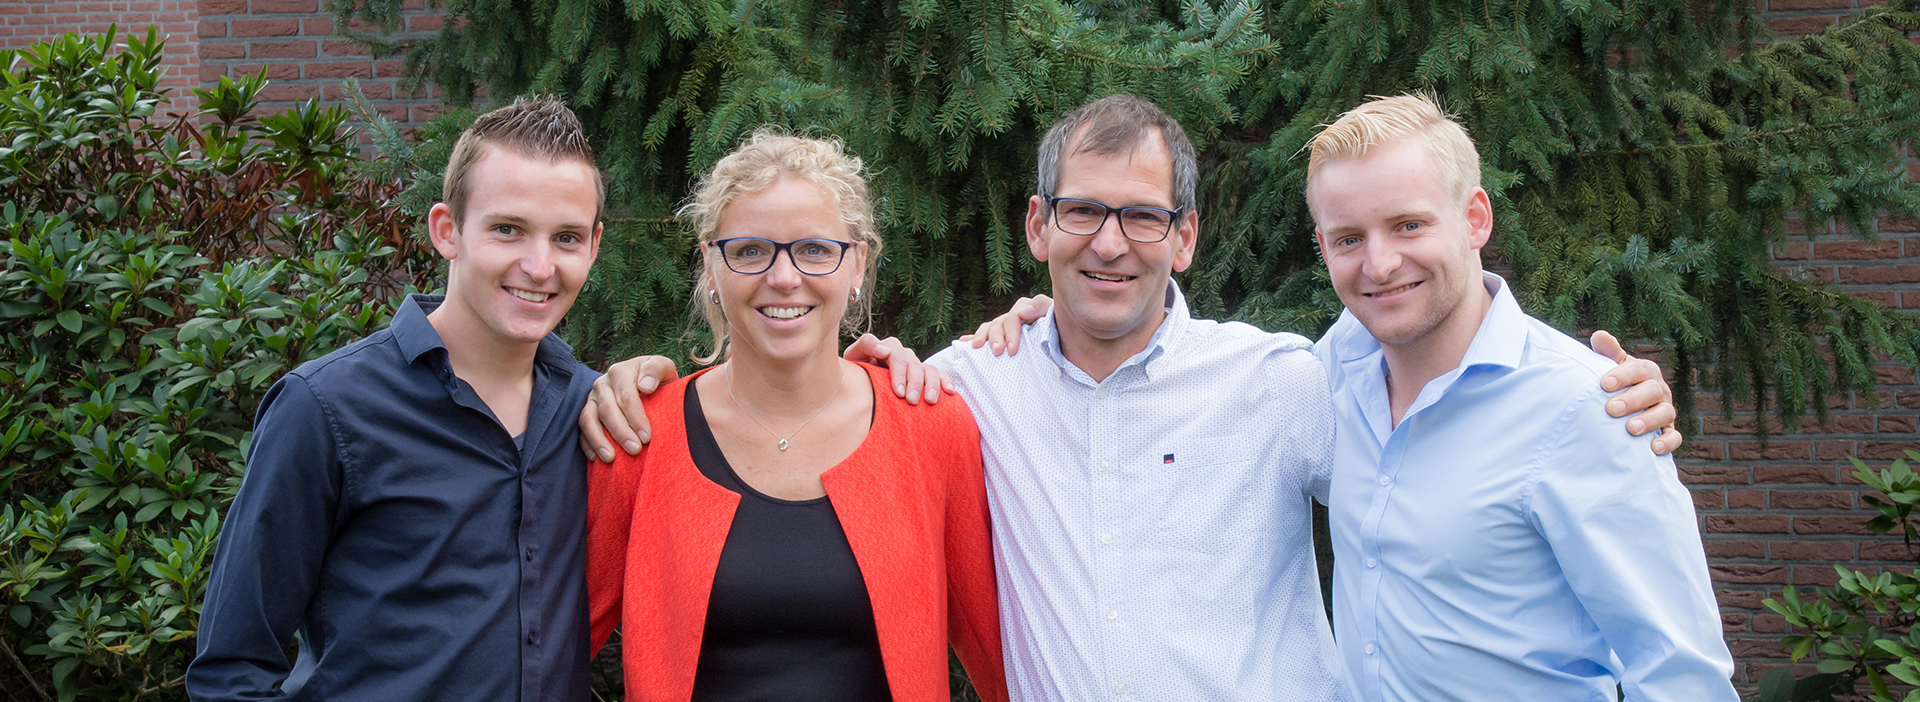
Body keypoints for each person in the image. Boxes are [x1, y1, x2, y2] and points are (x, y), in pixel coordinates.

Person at [582, 96, 1681, 700]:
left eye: (1144, 216)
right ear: (1036, 226)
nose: (1111, 244)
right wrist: (641, 378)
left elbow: (1435, 417)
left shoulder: (1288, 383)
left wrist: (1594, 391)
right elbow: (818, 382)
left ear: (1186, 237)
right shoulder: (962, 388)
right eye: (1083, 212)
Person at [1302, 93, 1734, 701]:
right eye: (1349, 238)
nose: (1380, 264)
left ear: (1475, 218)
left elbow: (1679, 673)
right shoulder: (1330, 374)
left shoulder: (1588, 408)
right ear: (1324, 246)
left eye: (1408, 225)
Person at [189, 97, 606, 701]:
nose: (539, 266)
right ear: (447, 231)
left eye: (565, 237)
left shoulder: (592, 410)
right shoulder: (325, 409)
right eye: (507, 229)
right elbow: (230, 670)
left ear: (593, 246)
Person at [582, 131, 1008, 702]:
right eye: (750, 250)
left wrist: (1048, 330)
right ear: (711, 265)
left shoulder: (931, 426)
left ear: (857, 264)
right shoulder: (642, 433)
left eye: (814, 249)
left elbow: (1005, 652)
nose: (784, 277)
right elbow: (545, 643)